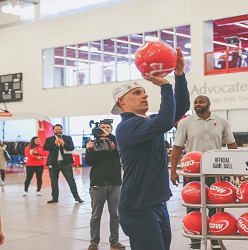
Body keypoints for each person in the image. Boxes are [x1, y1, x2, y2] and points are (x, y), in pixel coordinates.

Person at [113, 48, 189, 250]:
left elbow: (181, 107)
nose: (144, 96)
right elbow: (165, 122)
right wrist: (165, 86)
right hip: (138, 209)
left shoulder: (148, 123)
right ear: (122, 101)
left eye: (145, 93)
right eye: (137, 93)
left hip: (157, 204)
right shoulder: (127, 127)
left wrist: (179, 75)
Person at [170, 95, 237, 250]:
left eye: (201, 102)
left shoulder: (221, 122)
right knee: (193, 209)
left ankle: (215, 240)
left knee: (216, 208)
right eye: (195, 102)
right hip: (193, 174)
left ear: (209, 104)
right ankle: (195, 242)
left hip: (216, 173)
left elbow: (232, 145)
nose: (197, 104)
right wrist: (173, 171)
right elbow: (177, 147)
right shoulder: (185, 123)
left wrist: (236, 169)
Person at [85, 121, 125, 250]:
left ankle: (114, 241)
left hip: (115, 183)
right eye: (102, 128)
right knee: (96, 215)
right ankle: (94, 242)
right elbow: (89, 162)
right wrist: (89, 150)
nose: (104, 130)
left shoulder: (116, 144)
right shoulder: (93, 144)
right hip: (98, 183)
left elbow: (122, 147)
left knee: (115, 214)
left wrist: (110, 136)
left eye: (107, 128)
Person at [43, 124, 83, 204]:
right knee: (54, 181)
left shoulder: (67, 138)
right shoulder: (49, 139)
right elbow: (45, 148)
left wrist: (63, 144)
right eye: (56, 129)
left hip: (65, 163)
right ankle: (55, 198)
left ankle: (77, 197)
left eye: (59, 129)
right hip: (53, 164)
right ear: (53, 130)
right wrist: (54, 143)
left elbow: (71, 147)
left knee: (71, 180)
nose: (58, 130)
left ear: (62, 130)